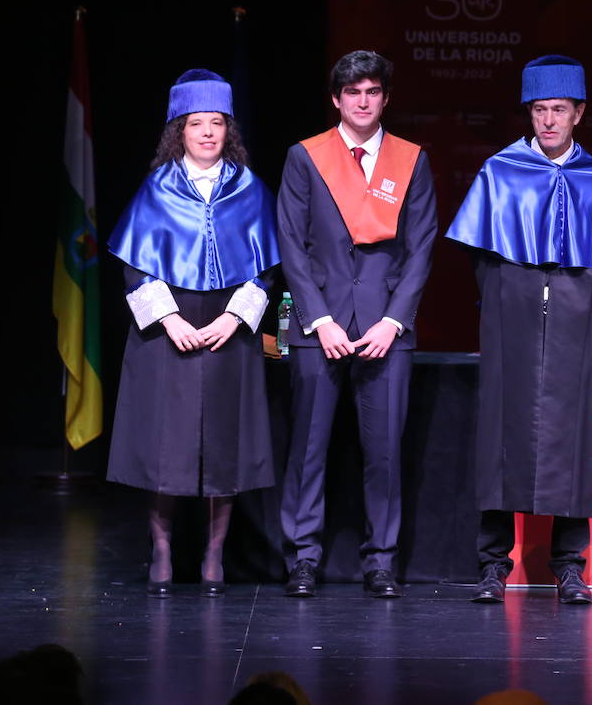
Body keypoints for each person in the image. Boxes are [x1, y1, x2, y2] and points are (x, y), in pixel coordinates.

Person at [446, 55, 592, 605]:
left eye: (559, 110)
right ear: (529, 113)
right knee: (502, 431)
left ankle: (569, 564)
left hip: (575, 315)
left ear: (579, 114)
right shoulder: (500, 171)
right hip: (512, 311)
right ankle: (491, 565)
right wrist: (510, 297)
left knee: (573, 436)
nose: (549, 120)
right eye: (540, 110)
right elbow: (480, 255)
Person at [107, 69, 279, 597]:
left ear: (229, 131)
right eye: (196, 123)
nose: (207, 133)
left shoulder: (249, 189)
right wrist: (170, 319)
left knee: (223, 445)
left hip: (230, 328)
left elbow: (266, 267)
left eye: (217, 123)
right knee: (167, 445)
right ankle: (161, 550)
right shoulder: (156, 189)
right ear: (178, 130)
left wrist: (233, 317)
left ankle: (213, 554)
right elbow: (135, 265)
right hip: (168, 330)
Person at [277, 49, 438, 598]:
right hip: (317, 326)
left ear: (385, 98)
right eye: (353, 93)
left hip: (385, 328)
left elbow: (420, 249)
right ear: (336, 99)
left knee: (385, 451)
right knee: (308, 447)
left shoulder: (411, 158)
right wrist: (317, 318)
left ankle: (381, 560)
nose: (363, 102)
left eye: (372, 92)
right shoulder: (305, 157)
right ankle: (302, 556)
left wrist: (394, 320)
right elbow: (292, 245)